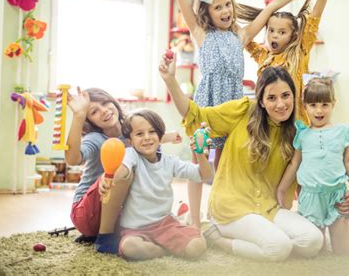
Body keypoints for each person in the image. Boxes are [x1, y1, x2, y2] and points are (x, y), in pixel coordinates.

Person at [175, 0, 306, 228]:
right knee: (199, 163)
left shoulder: (241, 36)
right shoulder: (200, 34)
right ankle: (196, 222)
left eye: (227, 5)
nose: (225, 10)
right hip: (207, 109)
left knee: (223, 166)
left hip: (234, 110)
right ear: (207, 13)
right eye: (217, 6)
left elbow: (269, 9)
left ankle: (218, 215)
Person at [160, 53, 326, 261]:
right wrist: (170, 80)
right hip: (232, 206)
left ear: (294, 95)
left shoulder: (297, 129)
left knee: (313, 241)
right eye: (271, 98)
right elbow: (196, 115)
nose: (281, 104)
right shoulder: (244, 110)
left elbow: (310, 170)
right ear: (262, 102)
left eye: (286, 95)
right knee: (279, 248)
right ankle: (218, 239)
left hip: (269, 206)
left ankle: (267, 241)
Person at [66, 87, 181, 254]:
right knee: (125, 168)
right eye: (94, 112)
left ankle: (164, 222)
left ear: (113, 102)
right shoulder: (96, 139)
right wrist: (78, 116)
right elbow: (73, 159)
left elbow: (139, 139)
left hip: (116, 213)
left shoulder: (133, 133)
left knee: (145, 157)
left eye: (105, 103)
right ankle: (104, 237)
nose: (104, 111)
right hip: (86, 213)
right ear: (89, 121)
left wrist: (168, 136)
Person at [98, 109, 213, 261]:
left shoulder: (170, 161)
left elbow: (204, 175)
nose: (147, 137)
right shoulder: (131, 154)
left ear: (160, 136)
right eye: (139, 134)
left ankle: (166, 245)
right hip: (135, 230)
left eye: (152, 132)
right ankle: (164, 250)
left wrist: (200, 154)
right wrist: (108, 177)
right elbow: (122, 169)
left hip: (165, 225)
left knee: (198, 247)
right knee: (130, 247)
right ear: (130, 141)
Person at [276, 77, 349, 254]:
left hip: (337, 197)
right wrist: (281, 189)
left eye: (325, 104)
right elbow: (294, 164)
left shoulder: (342, 132)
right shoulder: (302, 134)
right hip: (311, 199)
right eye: (313, 105)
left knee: (342, 251)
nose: (319, 110)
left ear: (333, 104)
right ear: (305, 106)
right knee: (317, 248)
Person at [238, 0, 334, 124]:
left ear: (293, 36)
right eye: (271, 31)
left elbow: (314, 17)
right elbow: (243, 37)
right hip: (270, 125)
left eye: (282, 32)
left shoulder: (299, 51)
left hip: (296, 125)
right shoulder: (264, 56)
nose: (274, 35)